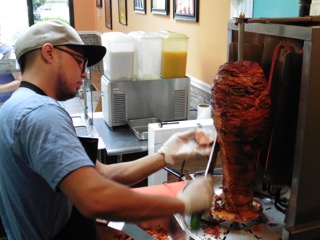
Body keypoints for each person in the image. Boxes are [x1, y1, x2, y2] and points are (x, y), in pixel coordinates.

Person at [0, 20, 214, 240]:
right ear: (49, 53)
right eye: (79, 62)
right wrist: (182, 203)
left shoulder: (16, 106)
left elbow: (101, 175)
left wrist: (165, 156)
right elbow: (94, 197)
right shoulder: (41, 113)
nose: (84, 74)